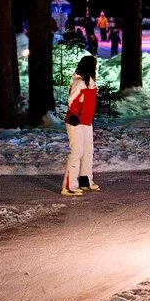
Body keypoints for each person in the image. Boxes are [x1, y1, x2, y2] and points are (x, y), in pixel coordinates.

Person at [63, 55, 99, 196]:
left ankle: (85, 181)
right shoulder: (79, 82)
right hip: (75, 121)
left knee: (88, 150)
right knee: (77, 151)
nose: (96, 67)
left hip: (86, 121)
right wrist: (73, 115)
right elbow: (71, 100)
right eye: (94, 65)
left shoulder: (91, 82)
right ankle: (69, 186)